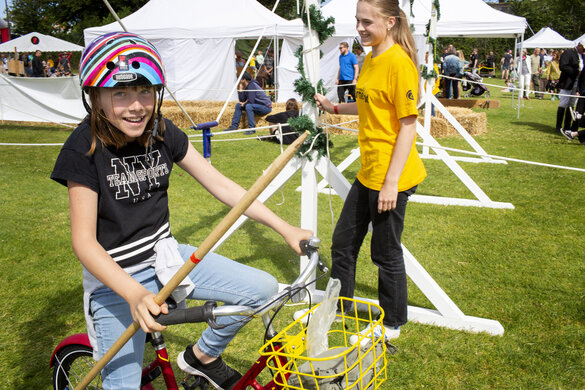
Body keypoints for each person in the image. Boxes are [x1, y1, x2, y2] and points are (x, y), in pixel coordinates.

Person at [50, 32, 312, 390]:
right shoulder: (83, 148)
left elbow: (221, 185)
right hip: (114, 280)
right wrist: (134, 293)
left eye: (145, 92)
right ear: (94, 96)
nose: (136, 106)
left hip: (166, 259)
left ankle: (200, 358)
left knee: (262, 289)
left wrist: (285, 228)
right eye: (120, 93)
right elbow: (84, 242)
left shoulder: (161, 130)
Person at [314, 0, 426, 342]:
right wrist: (334, 107)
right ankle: (340, 308)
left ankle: (392, 326)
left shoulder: (398, 63)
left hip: (393, 176)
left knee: (385, 252)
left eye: (367, 22)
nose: (360, 28)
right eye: (357, 21)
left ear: (390, 22)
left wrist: (391, 184)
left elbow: (408, 125)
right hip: (369, 172)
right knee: (342, 243)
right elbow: (368, 104)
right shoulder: (370, 57)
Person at [556, 39, 585, 134]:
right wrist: (576, 72)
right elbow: (563, 66)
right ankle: (558, 126)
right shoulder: (568, 52)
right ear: (579, 45)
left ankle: (567, 126)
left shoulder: (582, 56)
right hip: (568, 81)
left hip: (578, 83)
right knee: (563, 103)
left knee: (572, 104)